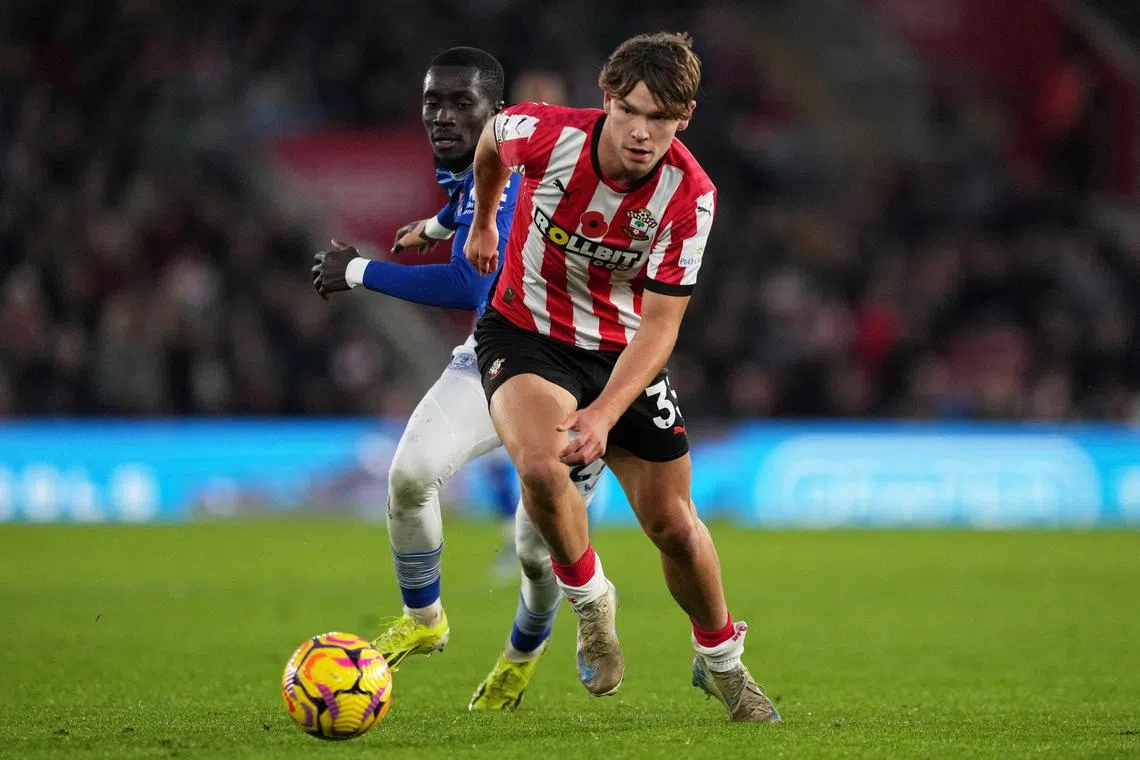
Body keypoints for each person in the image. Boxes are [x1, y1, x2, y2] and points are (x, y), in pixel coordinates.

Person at [464, 32, 781, 723]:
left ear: (685, 117)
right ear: (607, 99)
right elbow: (488, 139)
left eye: (660, 118)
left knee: (673, 524)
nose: (642, 132)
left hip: (621, 351)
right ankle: (591, 603)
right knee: (542, 464)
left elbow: (661, 328)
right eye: (631, 111)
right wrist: (485, 221)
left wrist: (605, 412)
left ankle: (722, 662)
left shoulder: (690, 197)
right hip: (527, 332)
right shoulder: (545, 135)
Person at [311, 47, 605, 711]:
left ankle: (522, 655)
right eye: (432, 102)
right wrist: (435, 225)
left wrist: (359, 271)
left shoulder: (518, 170)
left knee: (537, 551)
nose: (442, 116)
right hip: (497, 350)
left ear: (496, 112)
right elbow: (469, 201)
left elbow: (467, 280)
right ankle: (424, 618)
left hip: (573, 369)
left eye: (460, 104)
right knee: (410, 475)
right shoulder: (474, 162)